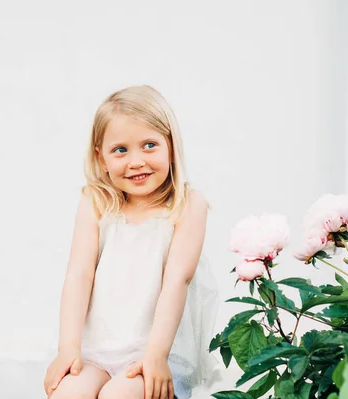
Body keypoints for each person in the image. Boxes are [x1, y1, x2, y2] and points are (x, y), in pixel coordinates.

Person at [43, 85, 219, 399]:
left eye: (149, 145)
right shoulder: (96, 202)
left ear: (170, 145)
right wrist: (68, 347)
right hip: (97, 351)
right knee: (68, 393)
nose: (135, 161)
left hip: (154, 350)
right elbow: (79, 274)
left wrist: (156, 355)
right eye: (120, 150)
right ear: (101, 157)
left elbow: (177, 280)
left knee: (118, 396)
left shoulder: (187, 204)